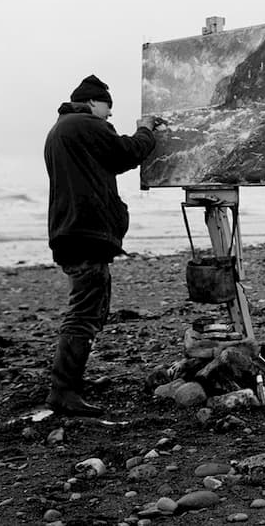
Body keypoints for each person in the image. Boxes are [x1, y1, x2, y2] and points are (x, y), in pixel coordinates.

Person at [43, 74, 161, 416]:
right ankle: (63, 391)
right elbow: (126, 153)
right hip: (85, 234)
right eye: (108, 108)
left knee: (88, 310)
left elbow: (105, 161)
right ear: (94, 102)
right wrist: (145, 130)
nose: (110, 115)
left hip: (71, 232)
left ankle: (70, 383)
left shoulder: (61, 130)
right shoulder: (85, 124)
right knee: (84, 314)